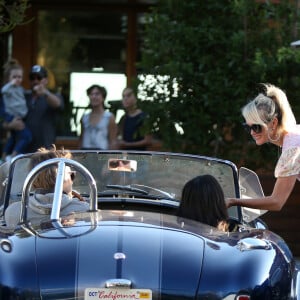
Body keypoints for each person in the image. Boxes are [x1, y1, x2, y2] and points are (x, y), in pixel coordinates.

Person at [226, 83, 299, 211]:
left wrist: (232, 201)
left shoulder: (292, 147)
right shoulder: (295, 136)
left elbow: (276, 202)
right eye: (248, 127)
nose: (252, 132)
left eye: (256, 127)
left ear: (274, 123)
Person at [4, 145, 89, 228]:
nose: (72, 181)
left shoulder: (12, 212)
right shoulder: (83, 210)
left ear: (32, 177)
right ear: (61, 179)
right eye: (72, 175)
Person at [1, 65, 64, 153]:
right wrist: (10, 125)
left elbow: (58, 104)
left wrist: (45, 93)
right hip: (24, 152)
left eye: (39, 78)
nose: (35, 81)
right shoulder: (22, 96)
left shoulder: (52, 96)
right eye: (32, 78)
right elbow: (4, 120)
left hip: (44, 152)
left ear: (46, 80)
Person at [0, 59, 32, 161]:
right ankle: (14, 155)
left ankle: (4, 156)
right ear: (8, 79)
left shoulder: (19, 89)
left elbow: (24, 93)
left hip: (19, 116)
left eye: (19, 77)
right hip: (12, 116)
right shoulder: (8, 89)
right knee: (27, 137)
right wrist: (11, 84)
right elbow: (3, 90)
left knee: (13, 138)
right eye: (14, 77)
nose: (17, 79)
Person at [79, 84, 117, 150]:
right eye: (91, 94)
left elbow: (112, 141)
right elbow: (81, 139)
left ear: (103, 97)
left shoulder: (109, 117)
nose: (94, 97)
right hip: (85, 153)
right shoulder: (84, 117)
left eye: (97, 94)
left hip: (102, 154)